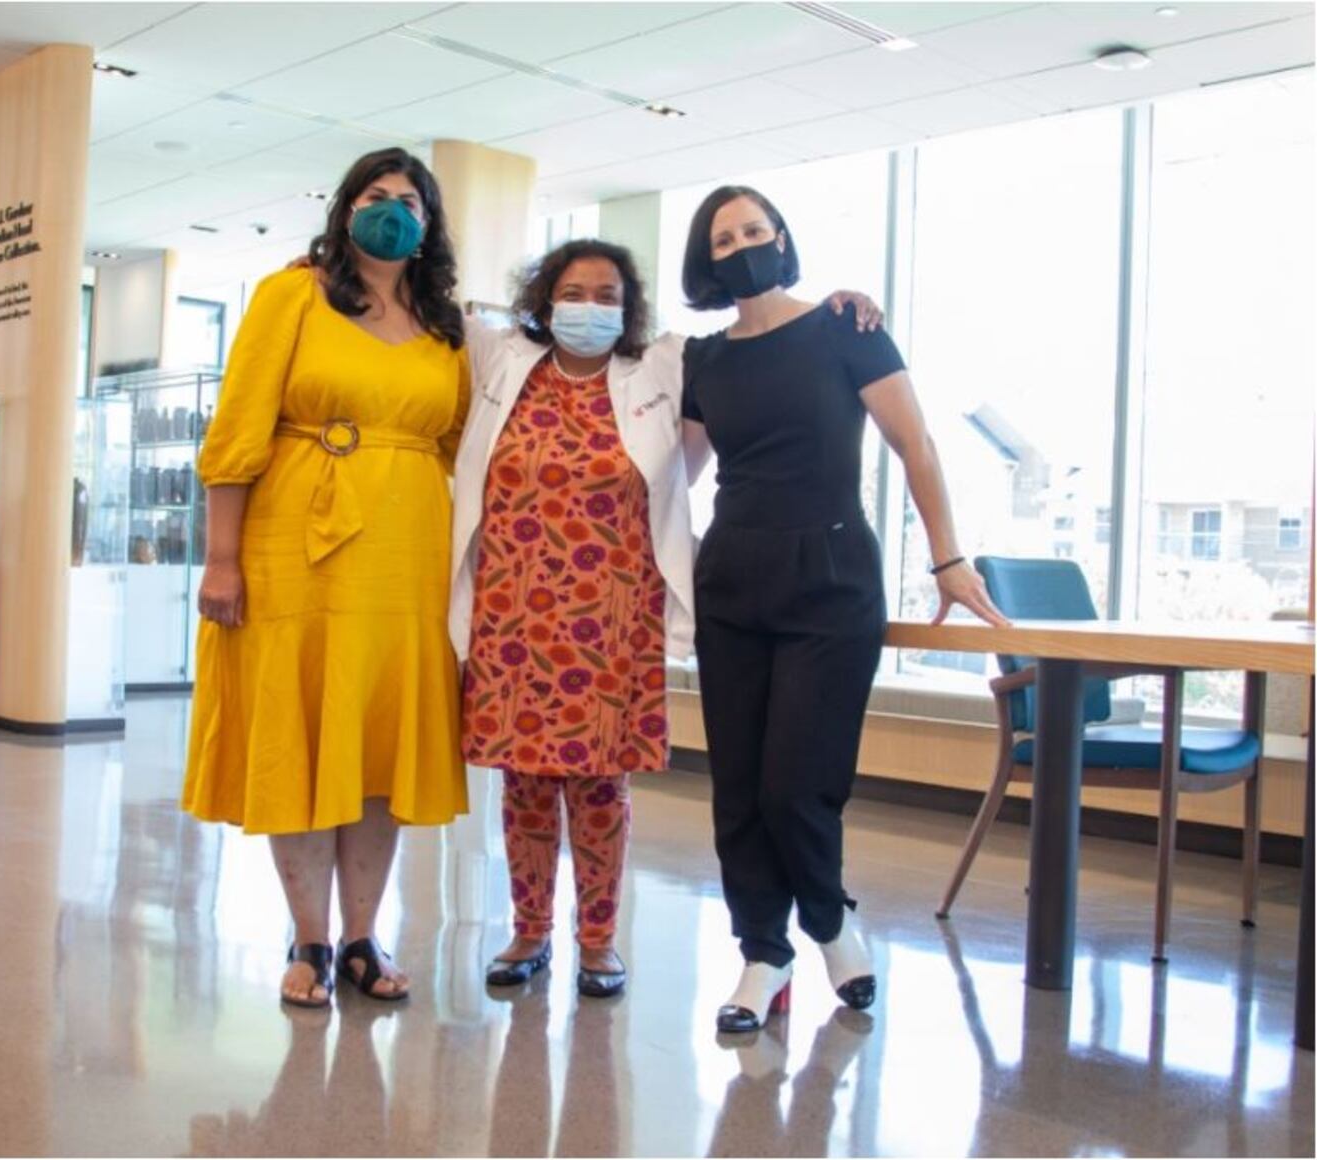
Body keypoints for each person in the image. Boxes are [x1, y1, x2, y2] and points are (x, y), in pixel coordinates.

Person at [451, 238, 882, 998]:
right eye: (574, 291)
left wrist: (839, 307)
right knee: (524, 784)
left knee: (597, 786)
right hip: (513, 613)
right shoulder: (501, 362)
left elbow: (757, 337)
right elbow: (430, 313)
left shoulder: (661, 367)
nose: (590, 307)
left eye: (608, 294)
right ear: (546, 299)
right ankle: (527, 930)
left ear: (631, 307)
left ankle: (597, 940)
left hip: (613, 613)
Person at [679, 185, 1007, 1033]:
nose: (744, 244)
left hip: (830, 571)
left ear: (783, 238)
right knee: (740, 790)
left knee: (798, 783)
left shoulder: (844, 327)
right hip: (734, 575)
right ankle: (763, 953)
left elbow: (916, 444)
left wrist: (948, 557)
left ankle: (826, 919)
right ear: (705, 259)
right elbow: (673, 478)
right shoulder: (703, 363)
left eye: (757, 229)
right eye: (725, 238)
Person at [182, 147, 470, 1009]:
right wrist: (222, 558)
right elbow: (238, 429)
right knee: (303, 735)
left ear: (430, 225)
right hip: (295, 545)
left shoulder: (448, 325)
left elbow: (470, 447)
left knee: (379, 748)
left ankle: (361, 938)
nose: (391, 210)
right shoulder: (292, 294)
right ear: (345, 210)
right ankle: (308, 935)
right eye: (374, 196)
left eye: (408, 200)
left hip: (407, 553)